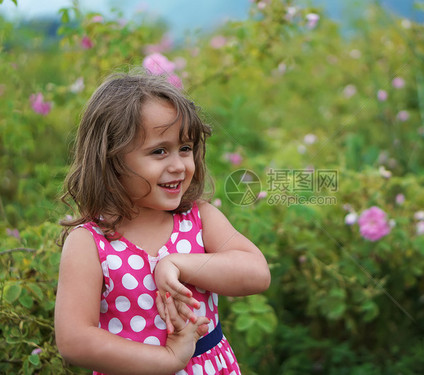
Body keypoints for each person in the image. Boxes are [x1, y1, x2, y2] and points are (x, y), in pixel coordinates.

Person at [54, 70, 271, 375]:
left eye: (185, 148)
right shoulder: (90, 243)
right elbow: (74, 341)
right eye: (159, 151)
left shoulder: (198, 218)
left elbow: (256, 273)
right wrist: (168, 360)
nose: (179, 165)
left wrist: (178, 263)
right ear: (111, 160)